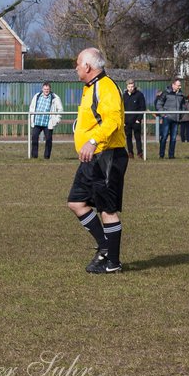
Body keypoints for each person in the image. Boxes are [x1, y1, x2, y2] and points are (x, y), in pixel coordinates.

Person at [66, 47, 128, 274]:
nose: (76, 67)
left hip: (107, 156)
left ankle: (113, 263)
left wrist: (92, 141)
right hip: (91, 159)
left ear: (88, 67)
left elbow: (113, 122)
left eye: (78, 63)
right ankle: (104, 246)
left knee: (107, 210)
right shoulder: (89, 88)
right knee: (76, 202)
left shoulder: (106, 87)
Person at [27, 82, 63, 160]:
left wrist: (57, 120)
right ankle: (34, 156)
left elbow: (60, 109)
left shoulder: (55, 97)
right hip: (37, 122)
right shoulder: (37, 96)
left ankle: (46, 157)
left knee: (49, 140)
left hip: (48, 123)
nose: (46, 90)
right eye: (45, 89)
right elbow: (31, 107)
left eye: (47, 89)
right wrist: (31, 117)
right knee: (34, 138)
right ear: (42, 89)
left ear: (50, 89)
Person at [155, 78, 186, 159]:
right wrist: (163, 114)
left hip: (176, 119)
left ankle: (171, 155)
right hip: (167, 118)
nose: (179, 87)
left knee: (173, 138)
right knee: (164, 137)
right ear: (173, 85)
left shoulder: (181, 95)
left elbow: (183, 106)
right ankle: (161, 155)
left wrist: (181, 115)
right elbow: (159, 104)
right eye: (178, 85)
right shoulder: (166, 93)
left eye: (180, 85)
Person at [122, 80, 146, 159]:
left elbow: (142, 107)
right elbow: (121, 108)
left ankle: (140, 153)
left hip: (136, 121)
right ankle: (130, 153)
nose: (131, 88)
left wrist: (138, 119)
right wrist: (123, 121)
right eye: (129, 87)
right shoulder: (124, 96)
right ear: (126, 87)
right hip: (127, 121)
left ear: (134, 86)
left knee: (138, 137)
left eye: (132, 86)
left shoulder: (139, 95)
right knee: (128, 137)